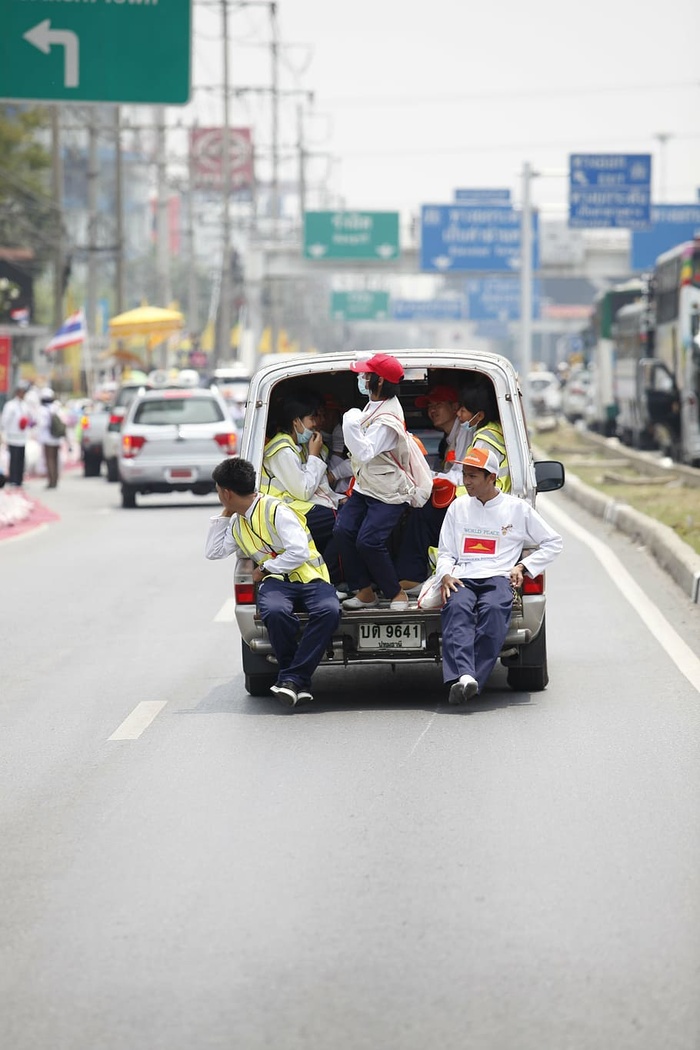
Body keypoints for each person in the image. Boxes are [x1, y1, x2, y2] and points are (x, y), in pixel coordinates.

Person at [205, 456, 340, 708]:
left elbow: (299, 551)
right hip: (277, 584)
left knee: (330, 611)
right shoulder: (237, 521)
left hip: (310, 577)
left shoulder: (276, 510)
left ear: (226, 492)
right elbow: (213, 551)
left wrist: (265, 568)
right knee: (275, 612)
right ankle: (295, 681)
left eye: (218, 491)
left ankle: (291, 678)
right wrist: (226, 512)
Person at [435, 446, 562, 704]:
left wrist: (523, 567)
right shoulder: (458, 507)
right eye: (464, 475)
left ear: (491, 477)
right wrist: (446, 575)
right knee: (457, 609)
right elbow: (446, 551)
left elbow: (553, 542)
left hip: (498, 579)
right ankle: (467, 676)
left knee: (494, 612)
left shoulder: (517, 508)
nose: (465, 482)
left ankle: (467, 678)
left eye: (472, 476)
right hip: (463, 576)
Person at [333, 352, 416, 611]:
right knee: (343, 531)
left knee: (368, 541)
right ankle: (365, 591)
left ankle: (396, 593)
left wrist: (349, 423)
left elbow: (365, 451)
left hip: (388, 492)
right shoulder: (373, 404)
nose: (361, 378)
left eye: (366, 375)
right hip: (366, 486)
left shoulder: (388, 419)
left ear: (379, 381)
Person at [395, 384, 470, 590]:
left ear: (455, 407)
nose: (432, 410)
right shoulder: (448, 439)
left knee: (420, 514)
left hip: (465, 503)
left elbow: (462, 475)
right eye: (429, 406)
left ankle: (413, 576)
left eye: (438, 405)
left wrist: (428, 477)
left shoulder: (465, 433)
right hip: (452, 498)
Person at [261, 392, 342, 573]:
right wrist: (314, 455)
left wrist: (338, 499)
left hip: (300, 508)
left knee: (348, 517)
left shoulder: (298, 446)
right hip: (284, 513)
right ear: (296, 421)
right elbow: (304, 490)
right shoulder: (282, 450)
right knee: (342, 524)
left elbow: (318, 486)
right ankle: (329, 576)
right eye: (311, 418)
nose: (315, 424)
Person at [457, 380, 511, 493]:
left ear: (480, 415)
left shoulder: (484, 441)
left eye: (463, 410)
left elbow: (475, 480)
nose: (458, 413)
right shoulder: (495, 428)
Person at [0, 380, 35, 488]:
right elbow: (4, 421)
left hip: (22, 437)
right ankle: (13, 480)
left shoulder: (25, 405)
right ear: (18, 392)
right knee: (14, 459)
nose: (24, 394)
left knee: (21, 459)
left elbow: (30, 418)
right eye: (22, 392)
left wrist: (29, 423)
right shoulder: (10, 405)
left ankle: (19, 479)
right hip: (13, 436)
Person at [37, 387, 64, 489]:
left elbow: (42, 424)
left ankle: (51, 481)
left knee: (49, 460)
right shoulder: (56, 407)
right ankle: (55, 479)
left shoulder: (42, 410)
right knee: (55, 458)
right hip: (56, 437)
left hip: (47, 438)